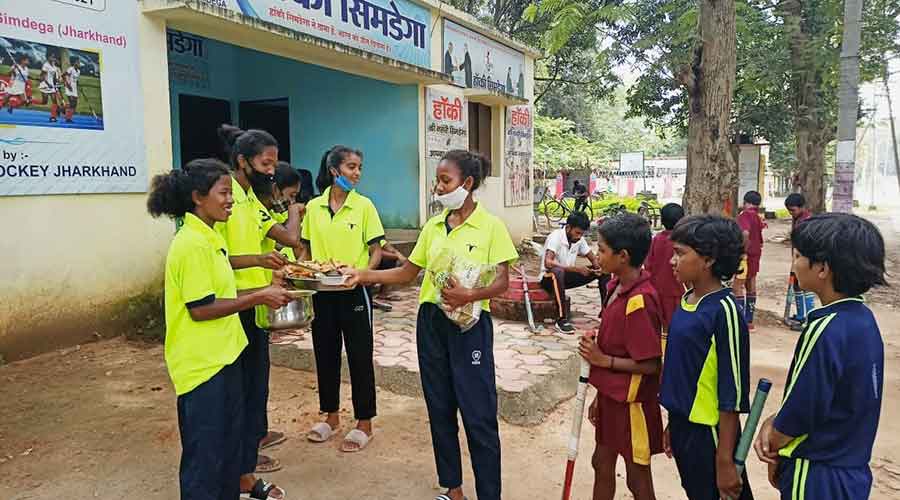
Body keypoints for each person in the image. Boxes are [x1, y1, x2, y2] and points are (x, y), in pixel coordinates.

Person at [344, 150, 518, 500]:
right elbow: (408, 273)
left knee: (479, 414)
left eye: (445, 180)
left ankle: (489, 494)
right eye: (437, 179)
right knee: (439, 406)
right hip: (431, 323)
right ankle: (452, 488)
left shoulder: (491, 227)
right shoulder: (434, 226)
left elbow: (502, 282)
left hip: (469, 328)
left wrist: (470, 295)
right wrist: (363, 275)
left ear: (467, 184)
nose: (438, 187)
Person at [147, 158, 292, 500]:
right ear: (199, 197)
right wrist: (258, 295)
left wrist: (265, 294)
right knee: (205, 461)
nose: (231, 200)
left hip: (226, 356)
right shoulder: (191, 245)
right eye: (224, 193)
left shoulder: (210, 237)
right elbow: (201, 309)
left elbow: (222, 295)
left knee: (228, 454)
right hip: (202, 367)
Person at [754, 213, 886, 500]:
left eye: (799, 256)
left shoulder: (825, 328)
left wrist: (773, 438)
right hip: (850, 471)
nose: (794, 264)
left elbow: (804, 407)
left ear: (823, 268)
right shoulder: (862, 320)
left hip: (816, 472)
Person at [217, 125, 302, 500]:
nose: (271, 170)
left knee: (256, 387)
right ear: (242, 161)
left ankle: (246, 467)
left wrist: (293, 207)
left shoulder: (252, 199)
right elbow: (215, 257)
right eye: (265, 163)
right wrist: (256, 258)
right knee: (236, 393)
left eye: (274, 164)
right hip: (233, 304)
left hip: (257, 304)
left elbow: (290, 239)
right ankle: (238, 471)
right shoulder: (225, 199)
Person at [659, 215, 753, 500]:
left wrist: (725, 458)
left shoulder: (724, 311)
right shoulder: (687, 300)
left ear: (709, 260)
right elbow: (683, 371)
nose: (672, 262)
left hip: (709, 434)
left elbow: (732, 392)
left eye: (680, 253)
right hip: (683, 425)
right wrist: (673, 423)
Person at [298, 145, 384, 453]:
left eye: (359, 167)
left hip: (354, 293)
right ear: (334, 170)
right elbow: (306, 251)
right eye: (351, 167)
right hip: (322, 293)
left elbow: (376, 250)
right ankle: (331, 417)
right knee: (325, 354)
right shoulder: (314, 207)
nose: (357, 173)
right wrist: (301, 269)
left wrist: (364, 274)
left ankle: (364, 423)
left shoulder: (364, 207)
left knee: (360, 357)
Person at [579, 213, 663, 500]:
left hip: (632, 404)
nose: (597, 256)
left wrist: (603, 361)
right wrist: (598, 396)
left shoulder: (640, 301)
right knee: (601, 462)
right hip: (611, 398)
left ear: (623, 256)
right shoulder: (615, 287)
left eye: (602, 250)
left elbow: (651, 364)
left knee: (637, 477)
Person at [539, 211, 602, 334]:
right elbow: (548, 262)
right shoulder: (555, 237)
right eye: (577, 233)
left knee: (604, 272)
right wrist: (576, 269)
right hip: (548, 279)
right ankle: (561, 319)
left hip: (565, 278)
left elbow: (592, 257)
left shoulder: (579, 240)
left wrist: (597, 267)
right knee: (558, 271)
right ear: (568, 228)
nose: (579, 236)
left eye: (581, 234)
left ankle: (606, 312)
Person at [643, 203, 685, 351]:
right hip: (676, 291)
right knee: (671, 327)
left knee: (657, 326)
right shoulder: (682, 242)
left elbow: (648, 264)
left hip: (655, 290)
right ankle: (668, 357)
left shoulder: (657, 239)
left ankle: (657, 354)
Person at [734, 191, 765, 330]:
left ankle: (740, 320)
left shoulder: (745, 214)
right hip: (756, 254)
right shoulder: (758, 216)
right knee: (751, 283)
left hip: (745, 255)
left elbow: (745, 233)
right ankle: (749, 320)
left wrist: (741, 251)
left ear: (745, 201)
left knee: (737, 286)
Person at [784, 193, 814, 327]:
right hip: (797, 259)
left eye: (793, 210)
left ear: (802, 207)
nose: (791, 213)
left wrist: (797, 261)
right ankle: (801, 316)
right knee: (797, 286)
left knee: (806, 287)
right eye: (789, 210)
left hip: (806, 259)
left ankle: (809, 319)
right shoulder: (797, 218)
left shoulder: (806, 221)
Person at [39, 53, 64, 122]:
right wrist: (48, 84)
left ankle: (53, 117)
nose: (53, 59)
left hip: (51, 86)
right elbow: (42, 76)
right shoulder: (45, 65)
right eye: (52, 57)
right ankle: (31, 100)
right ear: (48, 57)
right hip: (45, 85)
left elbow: (53, 76)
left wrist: (58, 81)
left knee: (54, 101)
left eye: (54, 57)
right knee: (44, 102)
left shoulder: (54, 65)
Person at [62, 57, 81, 124]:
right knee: (72, 103)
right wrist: (67, 84)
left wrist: (78, 84)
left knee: (74, 104)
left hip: (74, 88)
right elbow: (63, 75)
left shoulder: (78, 71)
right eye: (78, 62)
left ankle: (63, 108)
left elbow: (76, 80)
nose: (79, 63)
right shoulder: (70, 69)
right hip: (69, 87)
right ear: (74, 63)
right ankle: (68, 118)